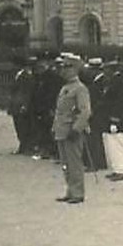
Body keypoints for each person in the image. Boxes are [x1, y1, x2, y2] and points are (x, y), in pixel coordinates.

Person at [50, 55, 92, 204]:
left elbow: (85, 111)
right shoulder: (65, 88)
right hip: (62, 129)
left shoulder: (80, 89)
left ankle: (78, 193)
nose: (63, 71)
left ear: (74, 70)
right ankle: (70, 190)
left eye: (66, 68)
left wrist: (76, 129)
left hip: (71, 130)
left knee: (74, 162)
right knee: (65, 163)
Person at [92, 57, 123, 181]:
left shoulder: (119, 82)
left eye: (106, 69)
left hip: (118, 118)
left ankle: (121, 170)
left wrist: (115, 118)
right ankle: (116, 168)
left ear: (112, 69)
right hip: (109, 117)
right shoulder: (109, 81)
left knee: (119, 143)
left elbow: (121, 102)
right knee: (111, 144)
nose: (104, 71)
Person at [79, 59, 109, 173]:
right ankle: (100, 162)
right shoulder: (95, 80)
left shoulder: (101, 80)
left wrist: (92, 109)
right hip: (95, 110)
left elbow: (100, 98)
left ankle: (95, 163)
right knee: (95, 137)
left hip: (97, 112)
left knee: (93, 137)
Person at [32, 56, 62, 159]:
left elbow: (52, 93)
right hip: (42, 107)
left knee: (49, 130)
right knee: (43, 129)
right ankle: (47, 150)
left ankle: (52, 151)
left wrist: (51, 107)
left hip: (49, 107)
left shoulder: (52, 77)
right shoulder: (41, 77)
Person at [8, 58, 37, 154]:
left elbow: (27, 92)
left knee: (24, 126)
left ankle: (26, 146)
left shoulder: (26, 76)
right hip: (16, 104)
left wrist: (25, 105)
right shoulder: (18, 75)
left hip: (21, 104)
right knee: (18, 126)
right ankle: (23, 146)